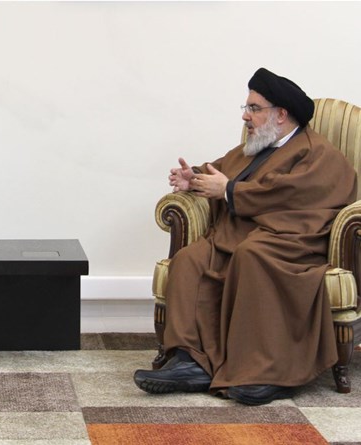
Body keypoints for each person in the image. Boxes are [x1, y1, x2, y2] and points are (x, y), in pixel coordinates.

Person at [133, 68, 357, 405]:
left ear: (281, 114)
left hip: (290, 244)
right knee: (191, 259)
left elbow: (289, 195)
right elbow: (221, 170)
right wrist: (193, 178)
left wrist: (229, 191)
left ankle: (266, 372)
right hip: (240, 237)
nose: (245, 116)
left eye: (254, 108)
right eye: (246, 107)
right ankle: (191, 361)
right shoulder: (253, 148)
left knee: (252, 255)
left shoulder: (318, 153)